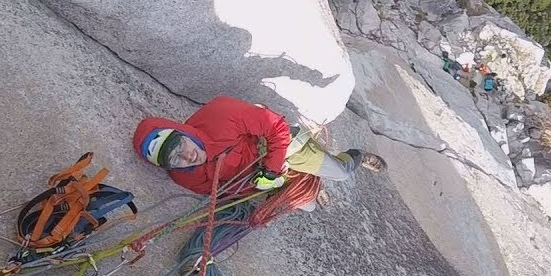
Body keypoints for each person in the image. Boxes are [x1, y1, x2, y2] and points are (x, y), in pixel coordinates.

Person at [131, 96, 385, 198]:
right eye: (176, 159)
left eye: (180, 145)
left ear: (182, 132)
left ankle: (355, 156)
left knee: (341, 173)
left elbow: (277, 128)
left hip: (279, 148)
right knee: (305, 204)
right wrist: (261, 185)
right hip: (258, 177)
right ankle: (308, 180)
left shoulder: (221, 114)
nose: (187, 156)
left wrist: (272, 170)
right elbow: (222, 192)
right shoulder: (184, 177)